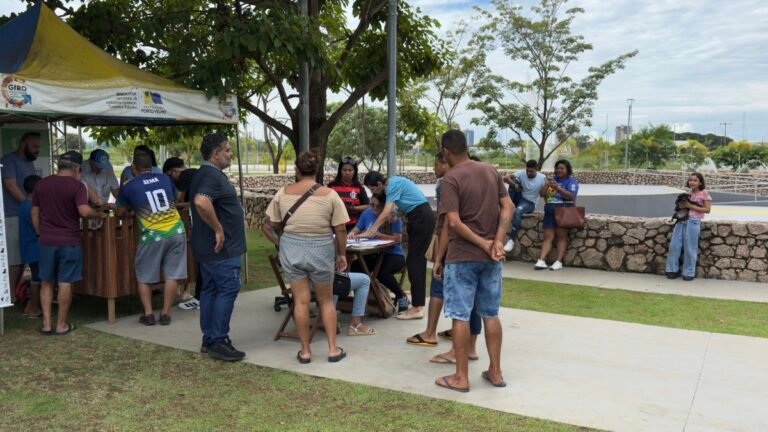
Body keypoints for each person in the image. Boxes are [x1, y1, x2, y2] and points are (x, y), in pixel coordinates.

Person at [433, 130, 512, 393]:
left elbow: (452, 222)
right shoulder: (490, 170)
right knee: (491, 313)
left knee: (460, 315)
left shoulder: (451, 179)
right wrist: (497, 241)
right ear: (467, 146)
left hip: (462, 257)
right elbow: (508, 207)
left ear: (446, 152)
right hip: (491, 259)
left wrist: (483, 243)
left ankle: (461, 377)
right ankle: (496, 372)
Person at [265, 152, 348, 364]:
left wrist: (282, 240)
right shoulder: (330, 195)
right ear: (316, 170)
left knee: (300, 301)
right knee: (326, 301)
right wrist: (341, 254)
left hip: (292, 247)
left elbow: (271, 224)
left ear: (297, 170)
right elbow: (340, 229)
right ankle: (332, 349)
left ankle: (305, 351)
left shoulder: (283, 193)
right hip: (321, 247)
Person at [406, 151, 483, 365]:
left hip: (457, 249)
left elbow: (450, 222)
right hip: (480, 249)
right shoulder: (485, 182)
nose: (433, 168)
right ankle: (471, 347)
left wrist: (439, 256)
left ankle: (438, 338)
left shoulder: (449, 183)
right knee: (475, 300)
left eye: (436, 162)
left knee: (453, 297)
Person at [189, 133, 247, 362]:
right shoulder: (211, 176)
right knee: (226, 289)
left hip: (210, 250)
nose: (231, 154)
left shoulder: (203, 174)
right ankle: (218, 339)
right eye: (228, 150)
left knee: (210, 291)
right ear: (216, 154)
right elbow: (201, 201)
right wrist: (219, 229)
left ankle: (210, 337)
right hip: (222, 250)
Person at [32, 151, 103, 335]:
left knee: (46, 281)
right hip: (69, 240)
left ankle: (47, 324)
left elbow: (34, 212)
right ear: (77, 168)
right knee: (65, 282)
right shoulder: (77, 186)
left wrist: (40, 232)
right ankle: (61, 325)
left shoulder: (42, 183)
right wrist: (99, 214)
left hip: (46, 241)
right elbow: (85, 212)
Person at [116, 153, 188, 326]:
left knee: (144, 276)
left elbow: (119, 212)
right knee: (172, 274)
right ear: (152, 166)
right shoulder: (164, 179)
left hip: (152, 234)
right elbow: (174, 198)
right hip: (176, 230)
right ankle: (165, 313)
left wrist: (132, 208)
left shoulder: (129, 186)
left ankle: (148, 314)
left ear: (134, 168)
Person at [361, 170, 435, 320]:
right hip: (418, 216)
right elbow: (408, 202)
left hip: (421, 217)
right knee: (415, 262)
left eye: (373, 189)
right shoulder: (394, 183)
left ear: (380, 184)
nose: (373, 193)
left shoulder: (391, 185)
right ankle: (417, 305)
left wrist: (372, 229)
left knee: (415, 262)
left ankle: (417, 307)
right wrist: (398, 214)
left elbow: (387, 210)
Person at [348, 195, 407, 311]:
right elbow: (357, 228)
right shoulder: (367, 213)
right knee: (355, 266)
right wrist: (352, 234)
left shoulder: (392, 216)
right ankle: (365, 298)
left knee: (382, 273)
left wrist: (379, 236)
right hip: (372, 252)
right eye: (371, 205)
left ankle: (400, 295)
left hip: (393, 254)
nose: (374, 208)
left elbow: (398, 238)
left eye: (377, 206)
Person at [2, 132, 42, 297]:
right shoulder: (9, 160)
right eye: (34, 147)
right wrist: (29, 204)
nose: (37, 150)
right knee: (15, 261)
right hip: (12, 216)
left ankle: (15, 295)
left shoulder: (29, 163)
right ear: (23, 145)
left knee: (24, 259)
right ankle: (10, 296)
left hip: (25, 214)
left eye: (39, 147)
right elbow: (10, 185)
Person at [535, 159, 579, 271]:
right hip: (550, 210)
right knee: (548, 237)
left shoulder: (571, 182)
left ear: (567, 170)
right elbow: (542, 194)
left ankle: (558, 261)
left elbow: (571, 197)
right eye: (557, 168)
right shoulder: (552, 180)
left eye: (562, 168)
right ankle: (541, 260)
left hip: (563, 211)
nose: (559, 170)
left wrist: (558, 188)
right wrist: (546, 185)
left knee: (561, 237)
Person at [666, 173, 711, 281]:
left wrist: (690, 206)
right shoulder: (687, 194)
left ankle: (689, 272)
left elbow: (707, 210)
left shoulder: (704, 193)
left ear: (700, 182)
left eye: (695, 180)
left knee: (690, 247)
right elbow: (681, 208)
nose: (692, 182)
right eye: (690, 180)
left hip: (694, 222)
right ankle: (672, 269)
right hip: (682, 221)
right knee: (674, 246)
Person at [503, 160, 546, 252]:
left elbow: (543, 195)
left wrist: (547, 185)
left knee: (518, 211)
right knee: (514, 180)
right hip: (519, 197)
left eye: (531, 171)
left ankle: (511, 240)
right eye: (527, 171)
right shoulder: (521, 173)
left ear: (537, 169)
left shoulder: (542, 178)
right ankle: (509, 205)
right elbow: (505, 178)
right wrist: (515, 185)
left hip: (530, 203)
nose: (528, 173)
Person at [19, 175, 42, 318]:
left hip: (27, 247)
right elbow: (38, 227)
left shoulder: (23, 205)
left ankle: (30, 307)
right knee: (37, 280)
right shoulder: (33, 207)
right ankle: (34, 309)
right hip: (35, 247)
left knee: (35, 277)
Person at [327, 157, 369, 231]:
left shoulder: (359, 187)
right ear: (340, 171)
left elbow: (367, 206)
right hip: (335, 225)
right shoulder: (332, 186)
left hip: (354, 226)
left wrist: (353, 208)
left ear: (354, 172)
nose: (347, 172)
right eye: (344, 170)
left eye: (350, 170)